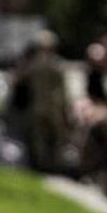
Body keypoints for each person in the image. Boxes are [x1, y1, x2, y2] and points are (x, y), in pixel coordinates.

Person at [25, 30, 72, 174]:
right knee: (56, 137)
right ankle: (52, 165)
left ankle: (43, 164)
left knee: (42, 137)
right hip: (52, 106)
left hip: (40, 105)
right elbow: (63, 90)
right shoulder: (56, 64)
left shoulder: (34, 64)